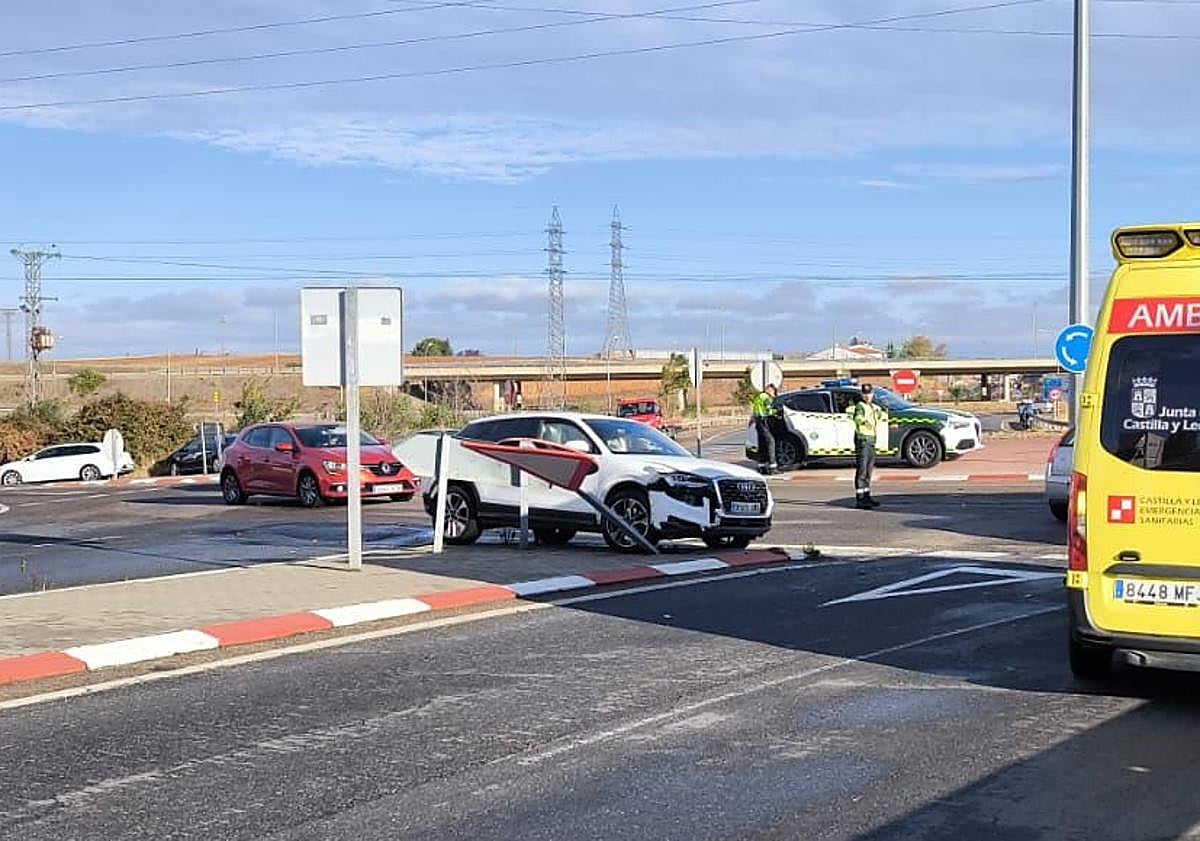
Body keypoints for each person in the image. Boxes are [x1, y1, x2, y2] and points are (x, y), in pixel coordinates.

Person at [847, 383, 888, 509]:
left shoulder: (873, 407)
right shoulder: (860, 406)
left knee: (869, 469)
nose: (867, 396)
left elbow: (881, 415)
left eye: (869, 393)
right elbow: (857, 417)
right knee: (862, 469)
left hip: (871, 440)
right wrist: (864, 421)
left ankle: (867, 495)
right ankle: (860, 498)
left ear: (872, 394)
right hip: (863, 439)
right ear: (862, 394)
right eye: (865, 393)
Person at [751, 383, 780, 475]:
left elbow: (755, 410)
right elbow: (769, 411)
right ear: (770, 390)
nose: (773, 394)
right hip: (763, 421)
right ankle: (773, 468)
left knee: (762, 444)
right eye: (773, 391)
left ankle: (762, 467)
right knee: (771, 442)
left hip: (758, 422)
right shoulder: (766, 398)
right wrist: (778, 412)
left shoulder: (758, 397)